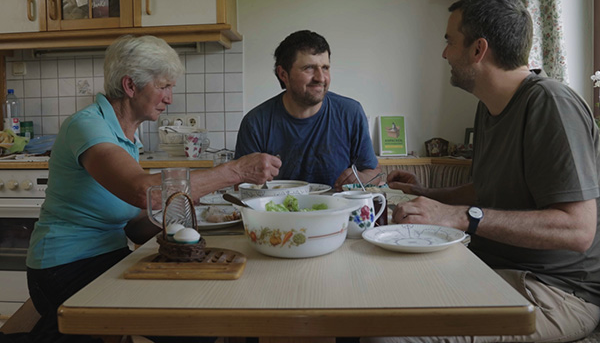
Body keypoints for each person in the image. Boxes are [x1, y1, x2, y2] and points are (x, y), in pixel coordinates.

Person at [365, 0, 600, 343]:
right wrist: (427, 194)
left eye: (450, 41)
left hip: (554, 292)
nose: (444, 53)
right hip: (490, 269)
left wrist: (461, 217)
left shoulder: (550, 103)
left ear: (478, 50)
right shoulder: (489, 107)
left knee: (391, 336)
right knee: (368, 295)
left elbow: (578, 230)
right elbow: (487, 188)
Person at [20, 35, 281, 343]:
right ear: (131, 86)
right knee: (193, 332)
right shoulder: (87, 125)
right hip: (64, 268)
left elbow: (133, 219)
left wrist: (194, 240)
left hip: (107, 257)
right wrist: (236, 171)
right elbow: (143, 192)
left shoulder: (126, 136)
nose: (169, 98)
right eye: (163, 86)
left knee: (208, 301)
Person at [234, 30, 381, 191]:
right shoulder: (256, 122)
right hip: (276, 214)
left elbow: (374, 173)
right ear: (283, 74)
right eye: (309, 68)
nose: (320, 77)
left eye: (325, 68)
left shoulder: (351, 113)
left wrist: (362, 178)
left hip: (337, 212)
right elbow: (240, 186)